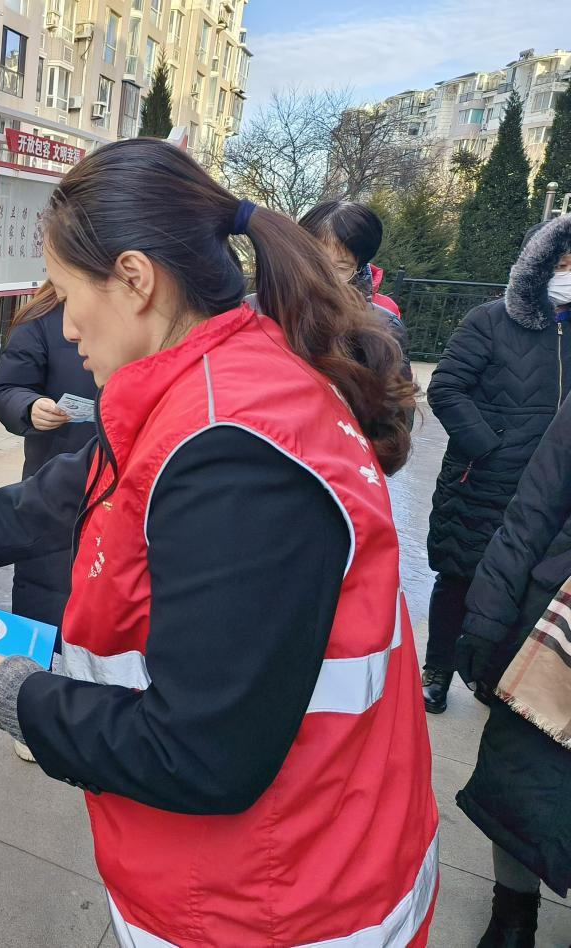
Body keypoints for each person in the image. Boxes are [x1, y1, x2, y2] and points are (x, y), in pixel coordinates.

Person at [0, 138, 437, 946]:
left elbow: (201, 753)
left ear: (134, 278)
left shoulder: (231, 448)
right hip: (240, 870)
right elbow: (50, 501)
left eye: (64, 291)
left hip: (276, 899)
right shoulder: (206, 385)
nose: (60, 322)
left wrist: (8, 690)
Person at [453, 216, 571, 948]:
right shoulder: (496, 323)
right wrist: (487, 619)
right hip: (552, 615)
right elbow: (534, 507)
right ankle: (512, 906)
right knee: (525, 769)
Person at [423, 218, 571, 713]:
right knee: (460, 575)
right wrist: (490, 446)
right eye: (564, 259)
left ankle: (491, 674)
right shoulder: (490, 320)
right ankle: (438, 669)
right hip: (482, 480)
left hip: (546, 494)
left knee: (523, 583)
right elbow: (447, 388)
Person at [0, 281, 97, 763]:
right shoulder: (45, 317)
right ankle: (28, 706)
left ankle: (93, 696)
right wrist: (29, 408)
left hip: (130, 479)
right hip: (57, 474)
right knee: (42, 588)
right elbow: (7, 388)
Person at [298, 200, 411, 376]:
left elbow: (396, 398)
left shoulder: (384, 325)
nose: (325, 277)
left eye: (341, 268)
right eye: (316, 262)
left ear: (358, 267)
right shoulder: (261, 310)